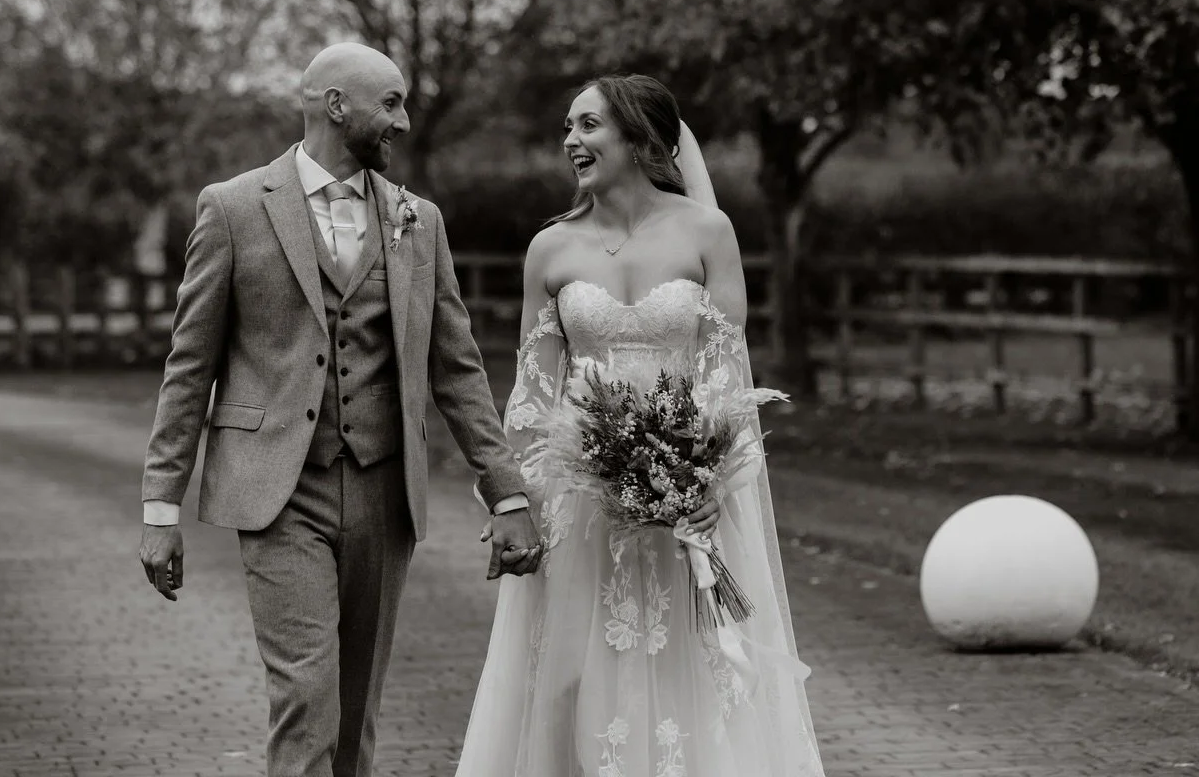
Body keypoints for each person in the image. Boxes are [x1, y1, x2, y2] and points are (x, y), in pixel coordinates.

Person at [137, 42, 543, 777]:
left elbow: (456, 367)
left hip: (386, 492)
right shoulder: (231, 209)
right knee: (307, 699)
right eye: (390, 103)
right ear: (336, 106)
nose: (405, 120)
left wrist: (505, 487)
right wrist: (161, 508)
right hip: (279, 492)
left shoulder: (421, 221)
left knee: (356, 712)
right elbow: (189, 367)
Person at [455, 75, 826, 776]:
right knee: (568, 673)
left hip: (690, 505)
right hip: (579, 502)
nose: (571, 140)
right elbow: (533, 395)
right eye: (568, 126)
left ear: (639, 137)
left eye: (588, 125)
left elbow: (727, 377)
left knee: (696, 671)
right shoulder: (551, 250)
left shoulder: (707, 233)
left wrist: (704, 476)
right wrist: (512, 494)